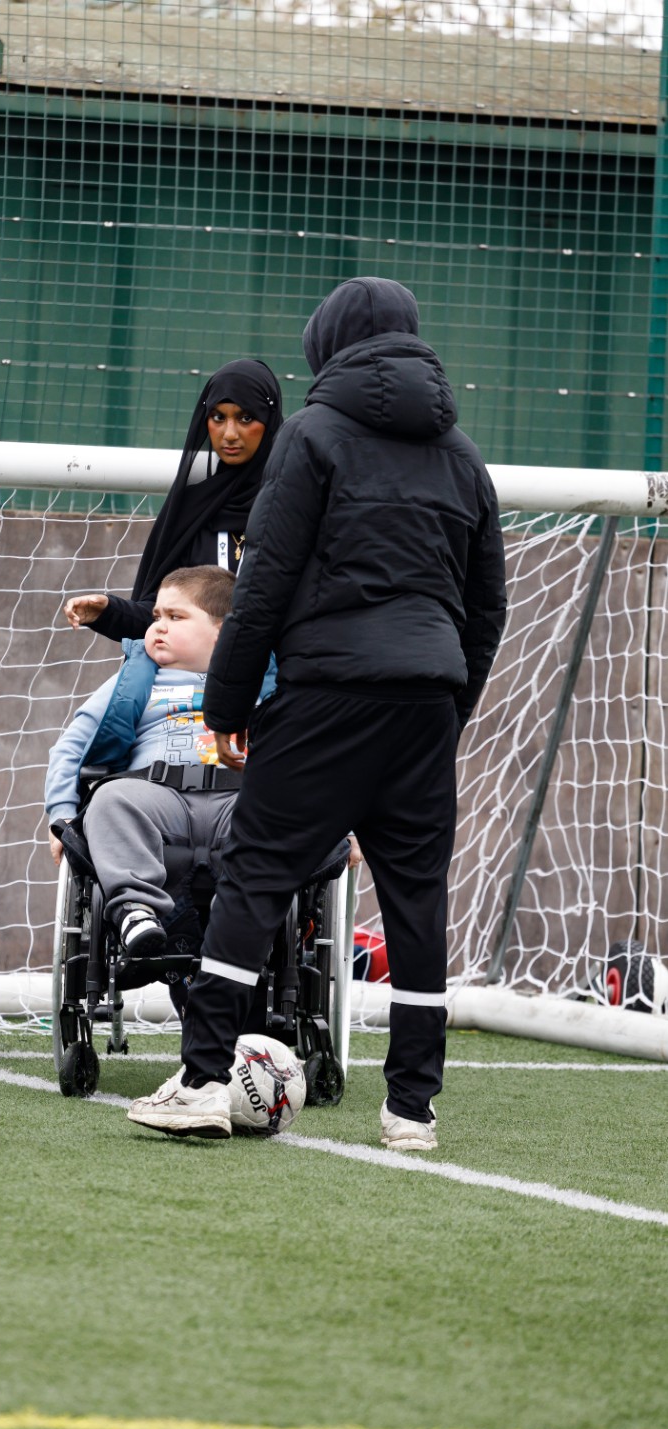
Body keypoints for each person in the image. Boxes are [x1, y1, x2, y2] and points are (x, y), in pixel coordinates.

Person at [128, 277, 507, 1150]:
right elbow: (488, 604)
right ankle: (411, 1107)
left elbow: (263, 583)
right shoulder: (462, 455)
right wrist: (452, 706)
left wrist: (227, 698)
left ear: (325, 345)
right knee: (417, 900)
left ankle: (201, 1080)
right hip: (424, 704)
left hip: (327, 695)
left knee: (254, 875)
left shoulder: (312, 435)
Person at [47, 566, 253, 960]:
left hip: (239, 801)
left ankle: (246, 914)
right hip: (157, 797)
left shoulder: (262, 682)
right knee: (110, 798)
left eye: (175, 618)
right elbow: (70, 746)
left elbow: (313, 755)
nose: (158, 626)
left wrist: (342, 828)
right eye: (156, 616)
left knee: (287, 804)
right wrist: (61, 813)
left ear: (224, 631)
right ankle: (135, 910)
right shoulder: (134, 679)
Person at [62, 359, 282, 643]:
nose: (229, 433)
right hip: (192, 680)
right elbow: (154, 620)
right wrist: (107, 610)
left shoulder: (293, 506)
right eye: (218, 417)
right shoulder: (191, 511)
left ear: (270, 420)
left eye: (245, 418)